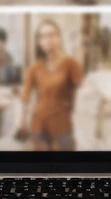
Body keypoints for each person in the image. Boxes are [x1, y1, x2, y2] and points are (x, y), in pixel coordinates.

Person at [18, 19, 84, 151]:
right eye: (43, 36)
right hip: (38, 127)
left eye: (52, 34)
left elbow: (81, 92)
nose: (48, 39)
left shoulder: (71, 64)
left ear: (59, 37)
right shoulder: (34, 68)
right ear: (39, 42)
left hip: (61, 127)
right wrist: (22, 121)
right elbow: (25, 97)